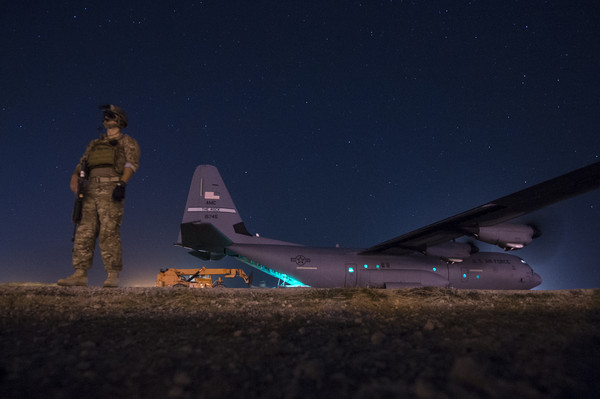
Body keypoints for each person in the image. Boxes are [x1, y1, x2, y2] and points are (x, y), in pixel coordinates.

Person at [58, 104, 141, 287]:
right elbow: (82, 164)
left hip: (111, 188)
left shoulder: (127, 142)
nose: (107, 119)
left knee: (109, 231)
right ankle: (80, 273)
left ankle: (112, 274)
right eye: (105, 116)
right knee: (84, 232)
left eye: (111, 116)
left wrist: (122, 183)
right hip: (89, 190)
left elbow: (131, 164)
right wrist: (74, 178)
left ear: (120, 119)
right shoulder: (94, 144)